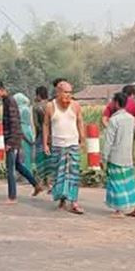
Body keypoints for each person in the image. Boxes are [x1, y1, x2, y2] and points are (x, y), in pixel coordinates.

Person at [0, 80, 42, 204]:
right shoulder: (8, 101)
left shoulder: (9, 101)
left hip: (12, 139)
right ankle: (36, 185)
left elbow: (14, 122)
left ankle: (12, 197)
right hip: (14, 137)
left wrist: (10, 142)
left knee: (10, 168)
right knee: (18, 165)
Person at [43, 80, 86, 214]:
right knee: (59, 174)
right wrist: (45, 143)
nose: (68, 95)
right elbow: (45, 125)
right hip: (57, 145)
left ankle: (74, 201)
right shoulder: (51, 106)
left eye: (70, 92)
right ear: (58, 92)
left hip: (72, 144)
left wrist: (82, 139)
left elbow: (80, 122)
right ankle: (61, 199)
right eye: (65, 92)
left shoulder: (76, 105)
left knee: (73, 174)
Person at [103, 93, 135, 218]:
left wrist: (104, 157)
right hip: (127, 155)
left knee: (116, 183)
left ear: (117, 103)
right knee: (129, 183)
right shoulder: (131, 119)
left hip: (116, 156)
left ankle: (119, 210)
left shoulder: (114, 120)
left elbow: (109, 141)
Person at [33, 86, 53, 190]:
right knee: (51, 158)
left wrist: (37, 136)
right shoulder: (52, 105)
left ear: (38, 95)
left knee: (40, 158)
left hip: (41, 135)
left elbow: (36, 124)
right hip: (53, 135)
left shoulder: (37, 107)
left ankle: (40, 182)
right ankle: (51, 183)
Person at [14, 93, 35, 172]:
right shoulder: (26, 109)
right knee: (26, 155)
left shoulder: (17, 110)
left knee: (20, 155)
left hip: (20, 132)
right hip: (26, 131)